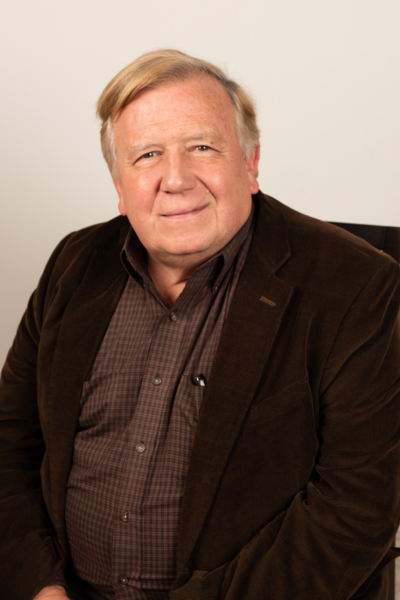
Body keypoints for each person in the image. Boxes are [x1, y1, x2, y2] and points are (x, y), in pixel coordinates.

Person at [0, 49, 400, 600]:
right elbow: (10, 445)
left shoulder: (357, 285)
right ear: (119, 186)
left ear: (251, 162)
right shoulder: (74, 264)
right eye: (146, 156)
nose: (175, 179)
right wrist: (38, 588)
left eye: (203, 147)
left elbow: (356, 509)